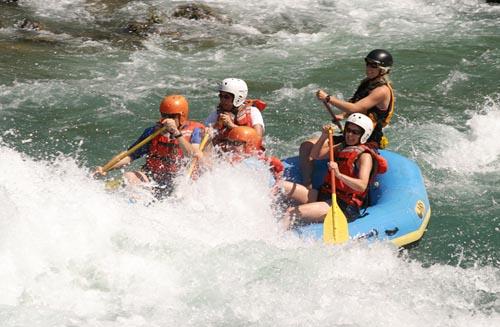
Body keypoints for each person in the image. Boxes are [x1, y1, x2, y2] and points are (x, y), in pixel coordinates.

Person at [299, 49, 394, 188]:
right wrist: (342, 115)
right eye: (367, 64)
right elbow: (356, 102)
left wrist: (328, 98)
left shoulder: (382, 90)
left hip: (366, 138)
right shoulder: (368, 82)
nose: (369, 68)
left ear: (383, 70)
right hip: (352, 133)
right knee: (306, 146)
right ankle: (307, 185)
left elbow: (355, 108)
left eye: (374, 66)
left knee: (317, 152)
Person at [280, 113, 387, 230]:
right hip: (325, 195)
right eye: (348, 130)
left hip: (342, 205)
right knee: (279, 186)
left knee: (290, 213)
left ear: (364, 135)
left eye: (355, 132)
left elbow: (361, 186)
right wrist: (324, 136)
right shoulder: (342, 146)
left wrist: (339, 174)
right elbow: (315, 155)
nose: (349, 135)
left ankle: (276, 241)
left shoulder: (364, 156)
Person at [94, 94, 205, 197]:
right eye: (164, 115)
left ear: (181, 117)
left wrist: (176, 133)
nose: (166, 120)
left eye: (171, 116)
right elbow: (129, 155)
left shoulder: (195, 131)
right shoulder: (152, 132)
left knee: (184, 193)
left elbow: (193, 155)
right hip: (153, 178)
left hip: (179, 181)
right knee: (129, 177)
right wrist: (105, 168)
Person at [205, 78, 265, 147]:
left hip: (247, 153)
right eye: (221, 96)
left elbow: (257, 137)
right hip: (224, 155)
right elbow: (204, 131)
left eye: (226, 97)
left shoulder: (253, 112)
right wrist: (214, 127)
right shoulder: (217, 113)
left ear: (238, 98)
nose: (222, 99)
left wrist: (231, 126)